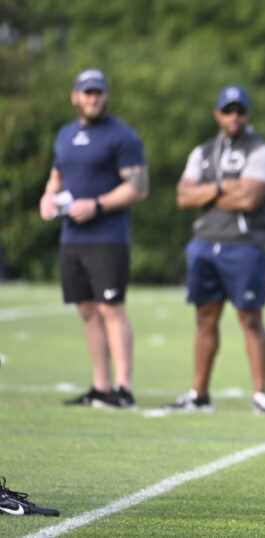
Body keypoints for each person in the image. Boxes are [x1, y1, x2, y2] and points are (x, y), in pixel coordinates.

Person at [163, 85, 265, 415]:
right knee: (204, 318)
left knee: (250, 318)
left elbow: (249, 198)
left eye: (239, 110)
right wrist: (223, 187)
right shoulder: (202, 151)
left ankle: (260, 395)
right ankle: (198, 395)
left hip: (245, 245)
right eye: (227, 111)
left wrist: (207, 191)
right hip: (204, 243)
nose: (233, 117)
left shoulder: (263, 151)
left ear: (248, 113)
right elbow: (183, 197)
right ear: (217, 114)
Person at [38, 69, 149, 409]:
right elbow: (57, 176)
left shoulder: (122, 136)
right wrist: (47, 197)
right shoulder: (65, 135)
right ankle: (100, 387)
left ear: (106, 96)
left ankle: (123, 389)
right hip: (72, 237)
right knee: (87, 310)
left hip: (108, 236)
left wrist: (97, 205)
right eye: (87, 92)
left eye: (98, 92)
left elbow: (138, 187)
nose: (93, 98)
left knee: (110, 308)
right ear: (75, 96)